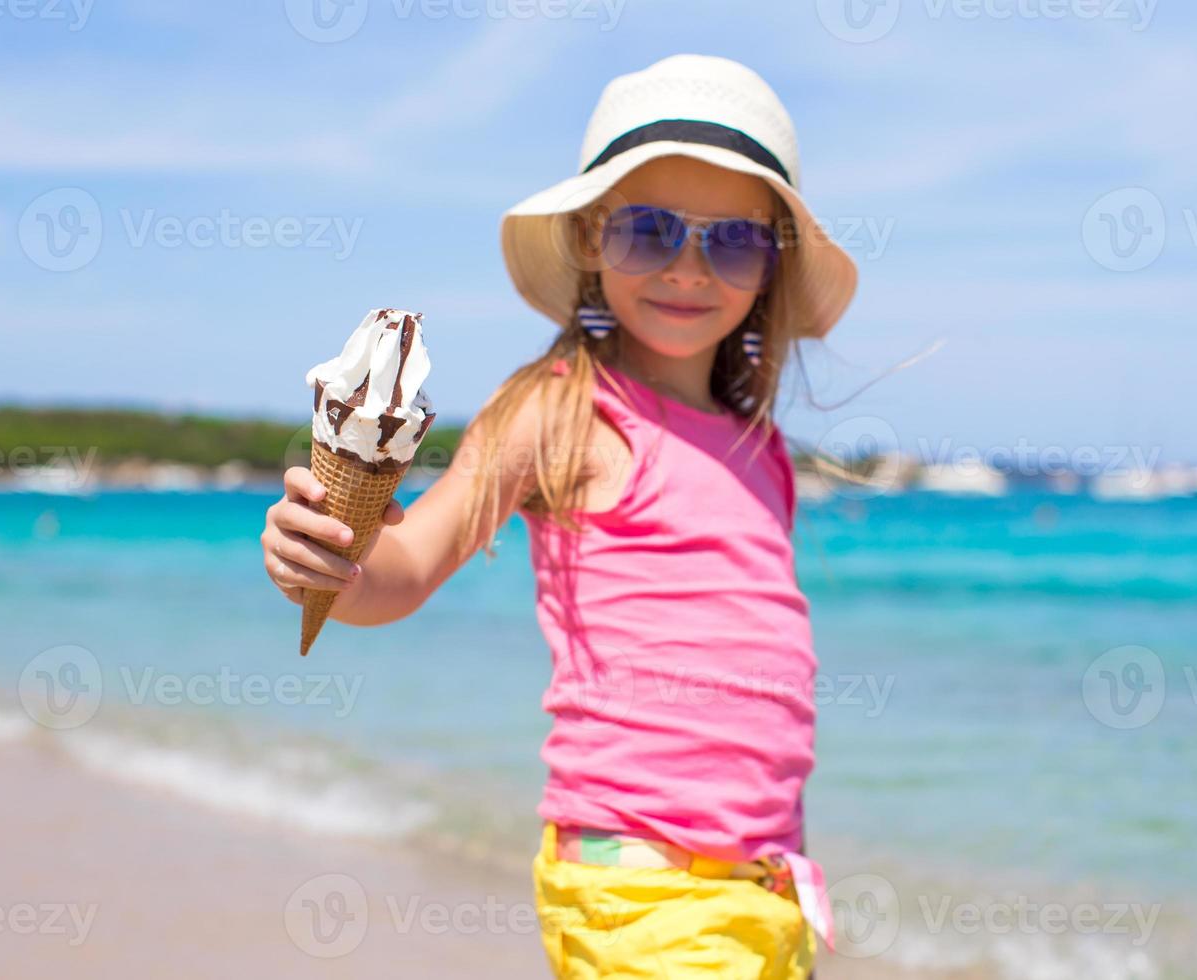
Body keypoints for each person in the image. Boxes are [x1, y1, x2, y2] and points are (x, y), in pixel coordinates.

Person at [260, 53, 858, 978]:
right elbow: (409, 565)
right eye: (651, 230)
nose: (690, 269)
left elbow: (759, 708)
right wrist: (333, 560)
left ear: (771, 260)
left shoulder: (759, 448)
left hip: (762, 890)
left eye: (732, 241)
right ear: (588, 238)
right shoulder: (561, 407)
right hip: (639, 889)